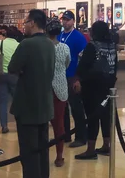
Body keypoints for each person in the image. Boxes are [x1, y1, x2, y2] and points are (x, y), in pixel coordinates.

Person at [9, 9, 55, 178]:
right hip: (44, 105)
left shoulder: (27, 44)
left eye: (26, 22)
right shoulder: (50, 44)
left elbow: (13, 67)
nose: (24, 25)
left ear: (33, 23)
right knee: (42, 152)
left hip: (27, 106)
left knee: (29, 155)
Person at [74, 21, 117, 160]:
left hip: (92, 87)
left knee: (92, 117)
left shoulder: (92, 46)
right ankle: (106, 145)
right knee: (105, 116)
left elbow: (82, 67)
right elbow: (114, 67)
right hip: (108, 86)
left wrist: (79, 80)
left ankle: (90, 149)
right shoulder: (112, 46)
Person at [59, 10, 88, 148]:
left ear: (73, 21)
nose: (65, 21)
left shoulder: (78, 37)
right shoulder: (59, 35)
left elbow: (83, 58)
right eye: (63, 19)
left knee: (76, 107)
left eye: (67, 19)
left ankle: (81, 136)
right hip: (60, 76)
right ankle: (65, 134)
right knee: (62, 107)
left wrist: (78, 78)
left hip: (72, 76)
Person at [47, 19, 71, 167]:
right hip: (61, 87)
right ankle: (59, 156)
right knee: (59, 124)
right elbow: (67, 64)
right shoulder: (65, 47)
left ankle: (42, 154)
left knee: (43, 123)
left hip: (45, 88)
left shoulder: (43, 47)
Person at [0, 27, 19, 134]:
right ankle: (19, 122)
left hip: (0, 74)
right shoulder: (18, 45)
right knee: (17, 100)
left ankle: (4, 125)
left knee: (2, 101)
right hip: (13, 74)